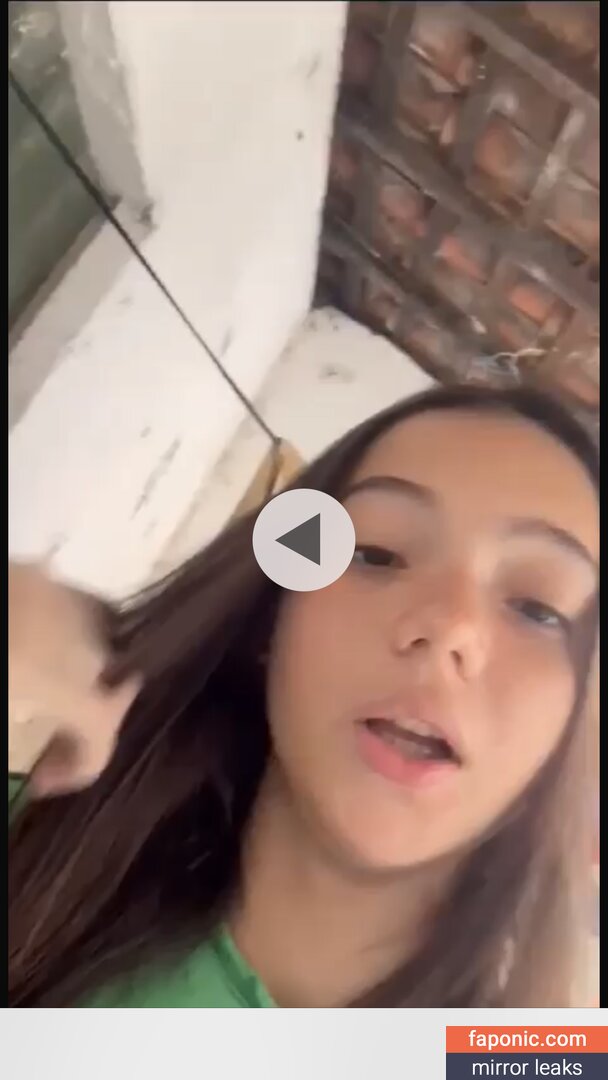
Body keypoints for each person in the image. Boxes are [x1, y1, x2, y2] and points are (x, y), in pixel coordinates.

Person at [8, 385, 599, 1009]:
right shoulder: (34, 854)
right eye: (376, 554)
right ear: (272, 618)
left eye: (538, 609)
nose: (450, 628)